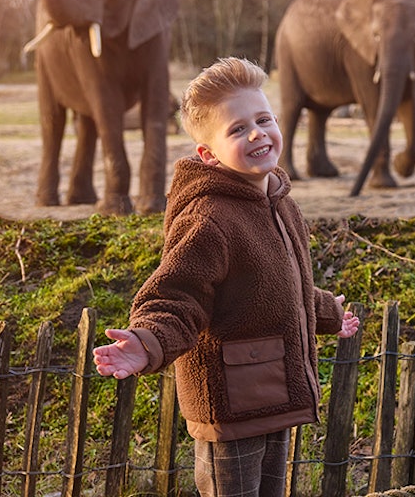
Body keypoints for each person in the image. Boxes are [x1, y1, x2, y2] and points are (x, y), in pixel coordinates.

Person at [93, 57, 361, 497]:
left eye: (263, 119)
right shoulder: (209, 217)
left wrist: (329, 312)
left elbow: (283, 286)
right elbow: (178, 294)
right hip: (231, 404)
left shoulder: (280, 202)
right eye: (237, 129)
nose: (256, 133)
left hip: (275, 393)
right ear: (208, 154)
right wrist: (147, 342)